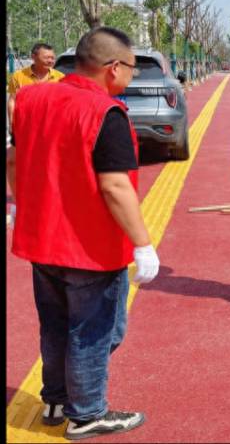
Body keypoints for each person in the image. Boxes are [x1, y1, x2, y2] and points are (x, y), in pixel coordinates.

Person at [9, 27, 159, 440]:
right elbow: (114, 186)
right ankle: (88, 412)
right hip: (90, 246)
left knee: (55, 324)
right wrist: (143, 244)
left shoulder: (29, 98)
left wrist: (20, 204)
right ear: (113, 68)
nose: (132, 78)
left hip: (42, 239)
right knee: (97, 330)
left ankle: (56, 399)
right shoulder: (106, 113)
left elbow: (16, 157)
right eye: (131, 69)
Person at [7, 43, 65, 227]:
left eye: (52, 57)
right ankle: (18, 203)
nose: (51, 60)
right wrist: (12, 124)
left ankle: (53, 205)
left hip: (51, 131)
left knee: (50, 167)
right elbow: (12, 101)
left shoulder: (60, 78)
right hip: (24, 129)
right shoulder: (19, 76)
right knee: (12, 162)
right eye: (47, 57)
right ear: (34, 57)